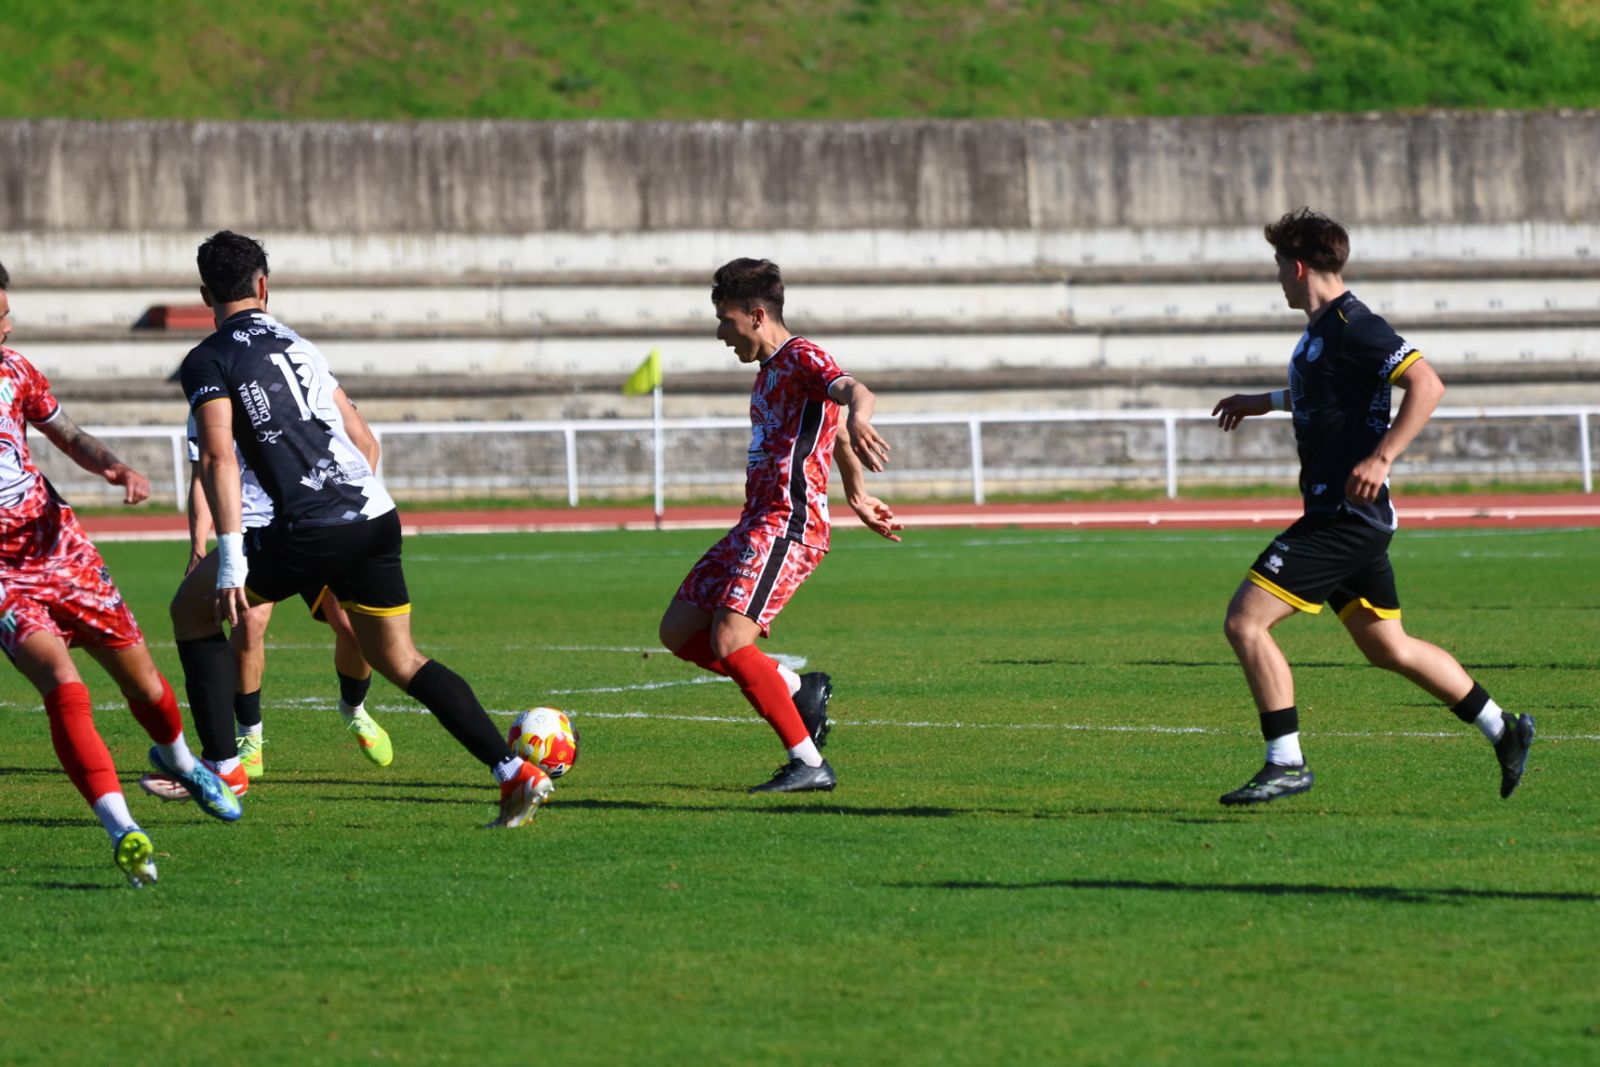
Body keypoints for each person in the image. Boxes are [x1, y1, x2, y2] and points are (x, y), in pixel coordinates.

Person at [170, 230, 550, 827]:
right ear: (263, 286)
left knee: (190, 612)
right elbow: (360, 437)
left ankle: (224, 767)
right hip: (374, 516)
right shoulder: (300, 345)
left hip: (309, 525)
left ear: (204, 294)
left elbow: (216, 458)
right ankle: (514, 771)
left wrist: (231, 555)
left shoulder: (207, 360)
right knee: (401, 659)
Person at [1210, 207, 1534, 806]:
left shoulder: (1356, 324)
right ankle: (1503, 728)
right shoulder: (1322, 332)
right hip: (1350, 517)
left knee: (1244, 622)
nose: (1278, 276)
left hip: (1343, 518)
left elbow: (1427, 384)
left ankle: (1285, 761)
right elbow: (1331, 392)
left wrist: (1382, 458)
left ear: (1300, 265)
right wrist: (1263, 401)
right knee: (1388, 646)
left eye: (1280, 264)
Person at [0, 261, 239, 887]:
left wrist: (114, 467)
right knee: (60, 680)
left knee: (143, 682)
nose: (7, 326)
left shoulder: (16, 370)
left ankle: (181, 760)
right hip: (3, 574)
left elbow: (67, 433)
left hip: (60, 546)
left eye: (6, 315)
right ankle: (123, 827)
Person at [658, 258, 902, 793]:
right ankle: (795, 686)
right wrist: (858, 494)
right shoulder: (768, 374)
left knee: (729, 639)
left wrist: (862, 414)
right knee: (676, 631)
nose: (722, 335)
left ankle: (808, 762)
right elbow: (832, 434)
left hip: (790, 525)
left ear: (757, 314)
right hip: (755, 523)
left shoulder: (802, 357)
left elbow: (853, 393)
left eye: (726, 321)